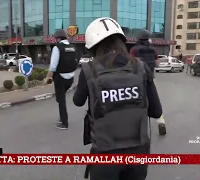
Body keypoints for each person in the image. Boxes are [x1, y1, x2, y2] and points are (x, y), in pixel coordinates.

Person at [73, 17, 163, 180]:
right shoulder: (140, 67)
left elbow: (77, 101)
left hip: (105, 154)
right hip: (138, 154)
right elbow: (156, 112)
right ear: (121, 40)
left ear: (93, 46)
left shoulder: (89, 70)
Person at [129, 29, 166, 136]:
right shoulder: (153, 50)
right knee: (154, 102)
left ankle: (136, 128)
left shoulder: (134, 50)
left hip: (136, 80)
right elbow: (157, 64)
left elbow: (131, 63)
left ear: (138, 38)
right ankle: (161, 122)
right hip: (150, 80)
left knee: (136, 103)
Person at [43, 29, 78, 130]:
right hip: (71, 78)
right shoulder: (73, 47)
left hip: (60, 78)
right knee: (60, 98)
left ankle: (64, 123)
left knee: (61, 100)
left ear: (58, 38)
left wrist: (48, 77)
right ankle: (62, 117)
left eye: (55, 38)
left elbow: (53, 66)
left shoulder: (57, 48)